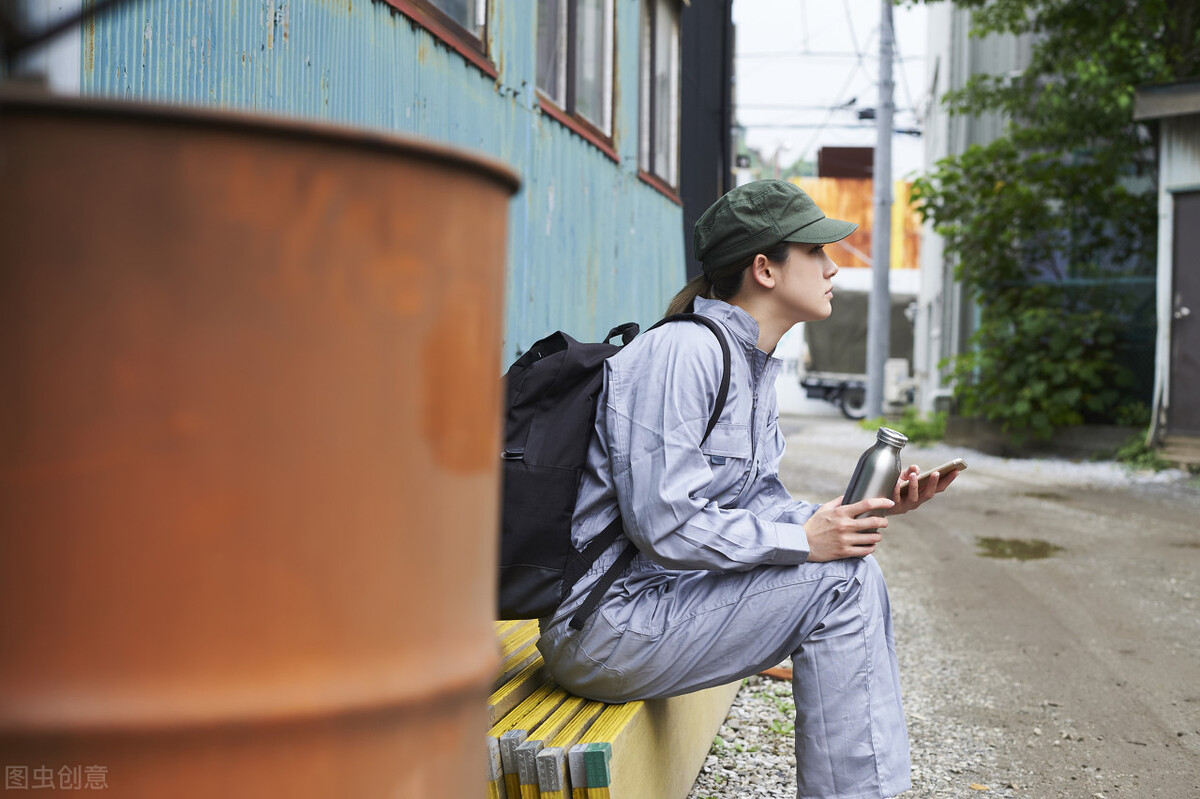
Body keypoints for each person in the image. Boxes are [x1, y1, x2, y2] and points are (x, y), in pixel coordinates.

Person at [535, 179, 956, 799]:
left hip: (666, 606)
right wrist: (809, 543)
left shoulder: (749, 363)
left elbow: (757, 502)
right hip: (607, 627)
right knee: (841, 580)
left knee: (845, 567)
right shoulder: (680, 353)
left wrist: (845, 517)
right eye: (816, 252)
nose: (832, 266)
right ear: (765, 268)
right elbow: (666, 525)